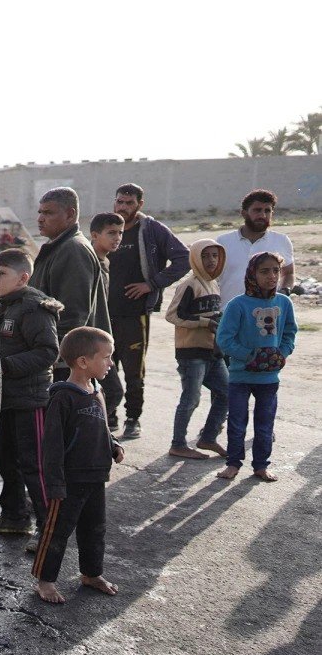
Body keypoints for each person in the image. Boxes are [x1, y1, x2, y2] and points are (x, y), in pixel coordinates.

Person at [31, 327, 125, 605]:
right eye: (106, 357)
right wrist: (55, 483)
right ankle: (45, 581)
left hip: (96, 476)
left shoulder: (97, 391)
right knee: (56, 532)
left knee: (95, 529)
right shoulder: (63, 397)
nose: (110, 363)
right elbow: (52, 445)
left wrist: (114, 445)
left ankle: (91, 573)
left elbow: (102, 427)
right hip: (69, 480)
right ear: (83, 361)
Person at [0, 248, 62, 536]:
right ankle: (14, 516)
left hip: (30, 400)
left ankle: (49, 529)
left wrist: (4, 366)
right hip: (5, 399)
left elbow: (48, 351)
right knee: (6, 459)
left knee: (35, 466)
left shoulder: (34, 308)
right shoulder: (2, 307)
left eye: (2, 274)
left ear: (23, 278)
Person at [103, 184, 190, 440]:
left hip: (135, 313)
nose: (123, 207)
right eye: (119, 201)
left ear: (140, 204)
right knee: (104, 366)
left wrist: (152, 284)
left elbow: (183, 258)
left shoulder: (151, 229)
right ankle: (108, 415)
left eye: (129, 203)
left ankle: (133, 418)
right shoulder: (108, 227)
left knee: (134, 370)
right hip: (104, 313)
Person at [215, 251, 297, 482]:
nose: (272, 276)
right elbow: (225, 339)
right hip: (240, 376)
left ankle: (261, 465)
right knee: (237, 423)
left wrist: (281, 353)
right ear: (252, 274)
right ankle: (233, 464)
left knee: (265, 424)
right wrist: (250, 356)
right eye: (264, 271)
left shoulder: (284, 303)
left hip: (269, 378)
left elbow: (290, 333)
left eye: (276, 271)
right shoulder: (237, 305)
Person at [164, 239, 229, 460]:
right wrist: (204, 322)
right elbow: (172, 315)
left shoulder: (214, 284)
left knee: (227, 393)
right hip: (191, 353)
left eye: (215, 255)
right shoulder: (189, 285)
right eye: (205, 255)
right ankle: (178, 444)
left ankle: (208, 437)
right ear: (195, 258)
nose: (211, 260)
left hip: (213, 352)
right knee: (191, 399)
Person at [28, 187, 100, 377]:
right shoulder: (57, 246)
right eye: (40, 212)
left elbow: (73, 315)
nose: (40, 219)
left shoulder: (73, 250)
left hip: (63, 363)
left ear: (70, 214)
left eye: (48, 213)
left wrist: (51, 355)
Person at [215, 190, 295, 304]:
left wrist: (284, 292)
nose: (263, 215)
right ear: (244, 213)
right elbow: (211, 278)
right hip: (228, 310)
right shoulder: (223, 241)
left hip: (268, 310)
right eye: (257, 210)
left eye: (267, 211)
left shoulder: (281, 240)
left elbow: (288, 273)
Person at [87, 211, 124, 427]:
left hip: (100, 336)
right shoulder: (89, 262)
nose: (117, 238)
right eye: (111, 233)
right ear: (95, 235)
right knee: (113, 391)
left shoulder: (105, 262)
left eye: (120, 233)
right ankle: (89, 430)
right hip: (90, 339)